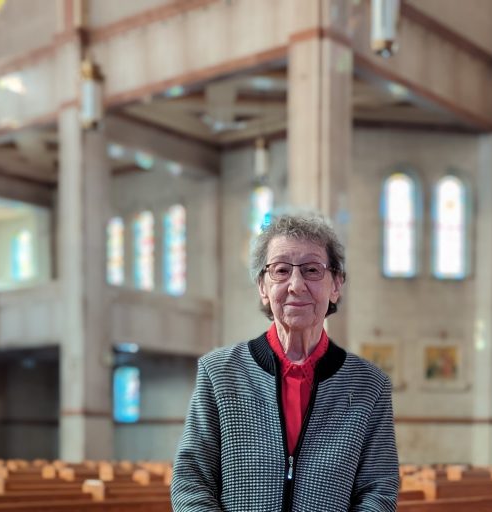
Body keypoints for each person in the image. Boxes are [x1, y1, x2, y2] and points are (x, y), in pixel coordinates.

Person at [171, 212, 400, 511]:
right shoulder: (219, 372)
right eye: (281, 270)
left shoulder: (370, 385)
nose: (296, 285)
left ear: (336, 285)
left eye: (312, 270)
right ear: (262, 287)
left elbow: (378, 490)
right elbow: (191, 481)